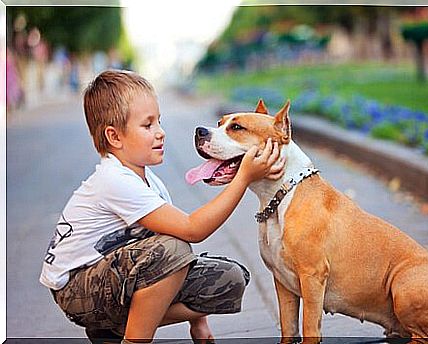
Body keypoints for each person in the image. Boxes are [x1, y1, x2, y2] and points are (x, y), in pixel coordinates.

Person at [39, 70, 285, 344]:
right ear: (114, 137)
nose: (161, 133)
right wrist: (243, 177)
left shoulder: (150, 182)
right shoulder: (114, 179)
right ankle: (134, 338)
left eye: (160, 121)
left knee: (229, 279)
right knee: (173, 249)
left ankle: (113, 328)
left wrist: (199, 324)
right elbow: (192, 231)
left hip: (115, 281)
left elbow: (175, 241)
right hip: (77, 290)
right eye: (148, 125)